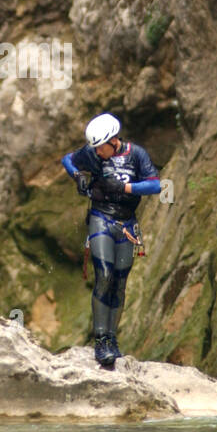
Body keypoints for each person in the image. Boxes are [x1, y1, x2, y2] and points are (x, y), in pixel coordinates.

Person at [61, 113, 160, 369]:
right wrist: (78, 176)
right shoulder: (92, 153)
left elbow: (155, 186)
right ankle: (101, 339)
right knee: (104, 274)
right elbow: (67, 160)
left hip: (126, 224)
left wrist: (126, 189)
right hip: (100, 217)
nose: (97, 153)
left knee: (119, 281)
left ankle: (113, 338)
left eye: (100, 148)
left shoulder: (136, 155)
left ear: (113, 141)